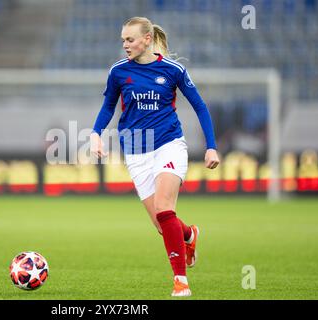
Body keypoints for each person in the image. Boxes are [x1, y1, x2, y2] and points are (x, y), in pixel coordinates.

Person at [90, 17, 220, 297]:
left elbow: (200, 106)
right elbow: (108, 106)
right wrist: (95, 133)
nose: (125, 45)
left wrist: (211, 145)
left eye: (130, 39)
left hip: (169, 144)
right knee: (162, 225)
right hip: (136, 153)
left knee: (163, 207)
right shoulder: (118, 72)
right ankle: (189, 235)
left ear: (147, 39)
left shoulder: (172, 70)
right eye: (123, 39)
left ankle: (181, 282)